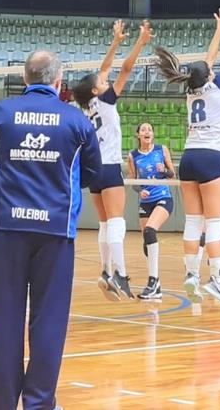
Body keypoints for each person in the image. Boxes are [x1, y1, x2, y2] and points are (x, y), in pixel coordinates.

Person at [0, 50, 101, 410]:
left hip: (8, 228)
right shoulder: (78, 121)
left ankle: (2, 403)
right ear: (58, 81)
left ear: (24, 79)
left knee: (5, 316)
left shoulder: (0, 112)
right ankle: (40, 403)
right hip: (55, 231)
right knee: (49, 319)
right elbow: (95, 174)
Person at [153, 6, 220, 305]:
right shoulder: (218, 88)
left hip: (189, 157)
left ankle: (191, 275)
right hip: (210, 157)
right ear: (209, 76)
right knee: (215, 222)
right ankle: (217, 280)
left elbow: (205, 62)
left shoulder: (191, 90)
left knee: (194, 221)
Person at [73, 19, 152, 301]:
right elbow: (125, 69)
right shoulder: (105, 100)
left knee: (105, 223)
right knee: (116, 222)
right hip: (108, 168)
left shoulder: (84, 105)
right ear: (97, 90)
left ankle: (106, 271)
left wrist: (116, 42)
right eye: (102, 83)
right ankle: (119, 273)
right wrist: (141, 42)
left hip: (92, 170)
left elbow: (104, 69)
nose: (105, 81)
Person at [126, 122, 176, 301]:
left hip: (163, 197)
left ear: (153, 134)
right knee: (146, 241)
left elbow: (173, 174)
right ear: (138, 135)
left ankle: (153, 281)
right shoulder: (132, 156)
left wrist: (166, 171)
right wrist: (140, 191)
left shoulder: (162, 150)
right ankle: (157, 288)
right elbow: (133, 182)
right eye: (143, 130)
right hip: (145, 201)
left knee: (149, 231)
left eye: (150, 129)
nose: (147, 132)